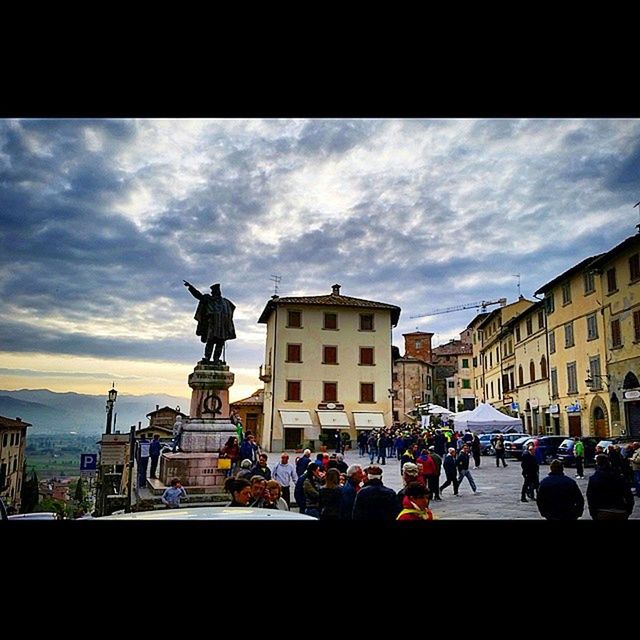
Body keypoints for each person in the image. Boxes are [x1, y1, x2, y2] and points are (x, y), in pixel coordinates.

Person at [183, 280, 236, 364]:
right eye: (213, 291)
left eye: (215, 291)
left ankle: (216, 359)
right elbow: (199, 295)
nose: (214, 293)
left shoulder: (226, 302)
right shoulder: (209, 299)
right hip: (212, 324)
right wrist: (190, 287)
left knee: (220, 342)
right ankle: (207, 358)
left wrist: (227, 323)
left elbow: (232, 309)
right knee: (210, 341)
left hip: (222, 326)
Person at [586, 454, 634, 520]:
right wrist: (629, 509)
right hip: (620, 509)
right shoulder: (619, 477)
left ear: (597, 463)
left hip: (602, 510)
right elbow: (628, 495)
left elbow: (590, 496)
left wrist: (593, 512)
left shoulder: (594, 478)